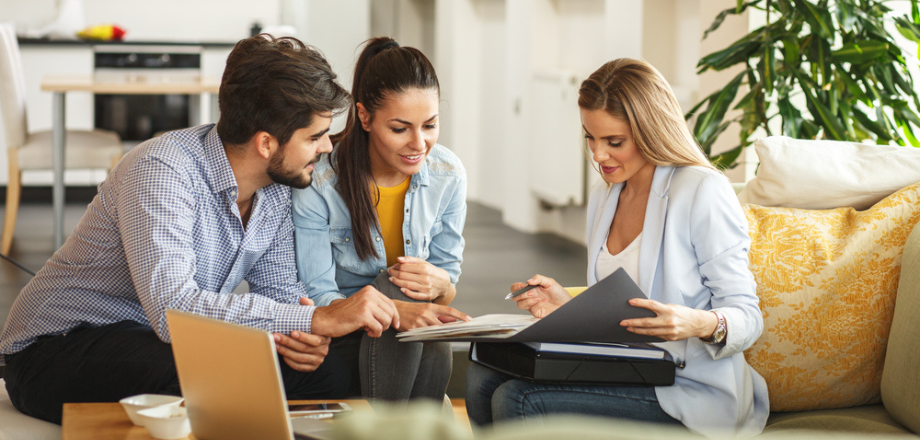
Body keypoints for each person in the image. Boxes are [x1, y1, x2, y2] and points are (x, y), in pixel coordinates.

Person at [0, 35, 402, 425]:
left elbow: (280, 296)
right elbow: (172, 309)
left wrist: (301, 337)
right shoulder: (162, 170)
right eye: (315, 137)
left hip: (155, 340)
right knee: (212, 372)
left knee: (326, 373)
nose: (328, 147)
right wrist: (317, 321)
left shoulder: (278, 188)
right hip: (56, 347)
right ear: (266, 143)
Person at [465, 58, 769, 438]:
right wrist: (566, 303)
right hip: (628, 369)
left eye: (614, 142)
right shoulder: (605, 196)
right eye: (590, 137)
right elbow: (623, 303)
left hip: (688, 389)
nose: (597, 155)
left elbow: (748, 317)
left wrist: (698, 323)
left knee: (519, 399)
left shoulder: (701, 191)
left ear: (651, 131)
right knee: (481, 377)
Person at [292, 37, 469, 403]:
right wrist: (394, 309)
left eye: (430, 125)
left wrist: (439, 284)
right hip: (345, 333)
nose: (419, 143)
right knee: (392, 287)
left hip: (411, 337)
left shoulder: (448, 174)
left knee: (425, 325)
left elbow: (446, 287)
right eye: (400, 129)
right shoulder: (321, 181)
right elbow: (318, 295)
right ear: (364, 117)